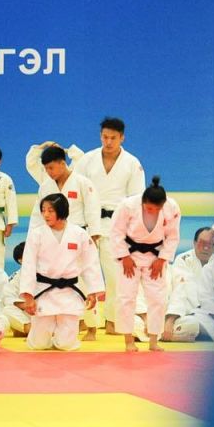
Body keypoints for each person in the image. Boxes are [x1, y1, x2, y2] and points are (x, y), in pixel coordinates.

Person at [75, 117, 146, 332]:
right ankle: (82, 319)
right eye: (105, 137)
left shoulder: (132, 163)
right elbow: (76, 190)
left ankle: (112, 319)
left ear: (122, 138)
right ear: (100, 136)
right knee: (82, 272)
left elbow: (136, 199)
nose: (108, 142)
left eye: (113, 138)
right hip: (89, 223)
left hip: (117, 225)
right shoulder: (87, 160)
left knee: (116, 276)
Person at [14, 193, 104, 351]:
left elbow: (90, 263)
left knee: (66, 344)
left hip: (69, 292)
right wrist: (28, 295)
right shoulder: (36, 234)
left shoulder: (79, 234)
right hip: (44, 290)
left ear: (61, 211)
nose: (45, 215)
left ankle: (62, 339)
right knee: (39, 344)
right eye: (43, 210)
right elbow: (28, 266)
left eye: (50, 211)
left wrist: (92, 290)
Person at [110, 177, 181, 352]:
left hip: (155, 257)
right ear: (143, 202)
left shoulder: (172, 207)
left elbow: (172, 236)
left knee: (158, 298)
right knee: (126, 297)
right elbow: (116, 232)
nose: (154, 211)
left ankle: (154, 341)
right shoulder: (128, 205)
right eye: (150, 208)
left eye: (158, 208)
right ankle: (128, 341)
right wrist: (124, 257)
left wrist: (162, 259)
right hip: (130, 255)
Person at [161, 228, 214, 342]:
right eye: (202, 243)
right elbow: (180, 291)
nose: (206, 248)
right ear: (194, 243)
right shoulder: (184, 260)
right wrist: (171, 320)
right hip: (187, 312)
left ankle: (175, 335)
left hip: (212, 313)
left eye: (211, 244)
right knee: (192, 323)